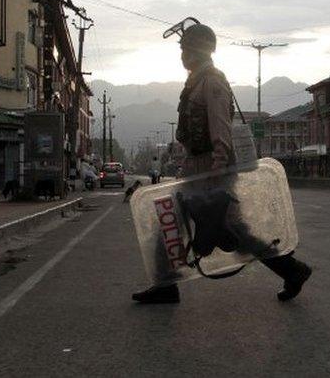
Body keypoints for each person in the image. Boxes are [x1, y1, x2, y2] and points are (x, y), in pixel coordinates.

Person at [132, 20, 313, 304]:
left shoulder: (212, 81)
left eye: (186, 48)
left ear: (200, 50)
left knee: (233, 231)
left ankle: (293, 269)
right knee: (171, 220)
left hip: (211, 168)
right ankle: (166, 284)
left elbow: (220, 130)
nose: (182, 54)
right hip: (197, 166)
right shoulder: (195, 80)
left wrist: (217, 174)